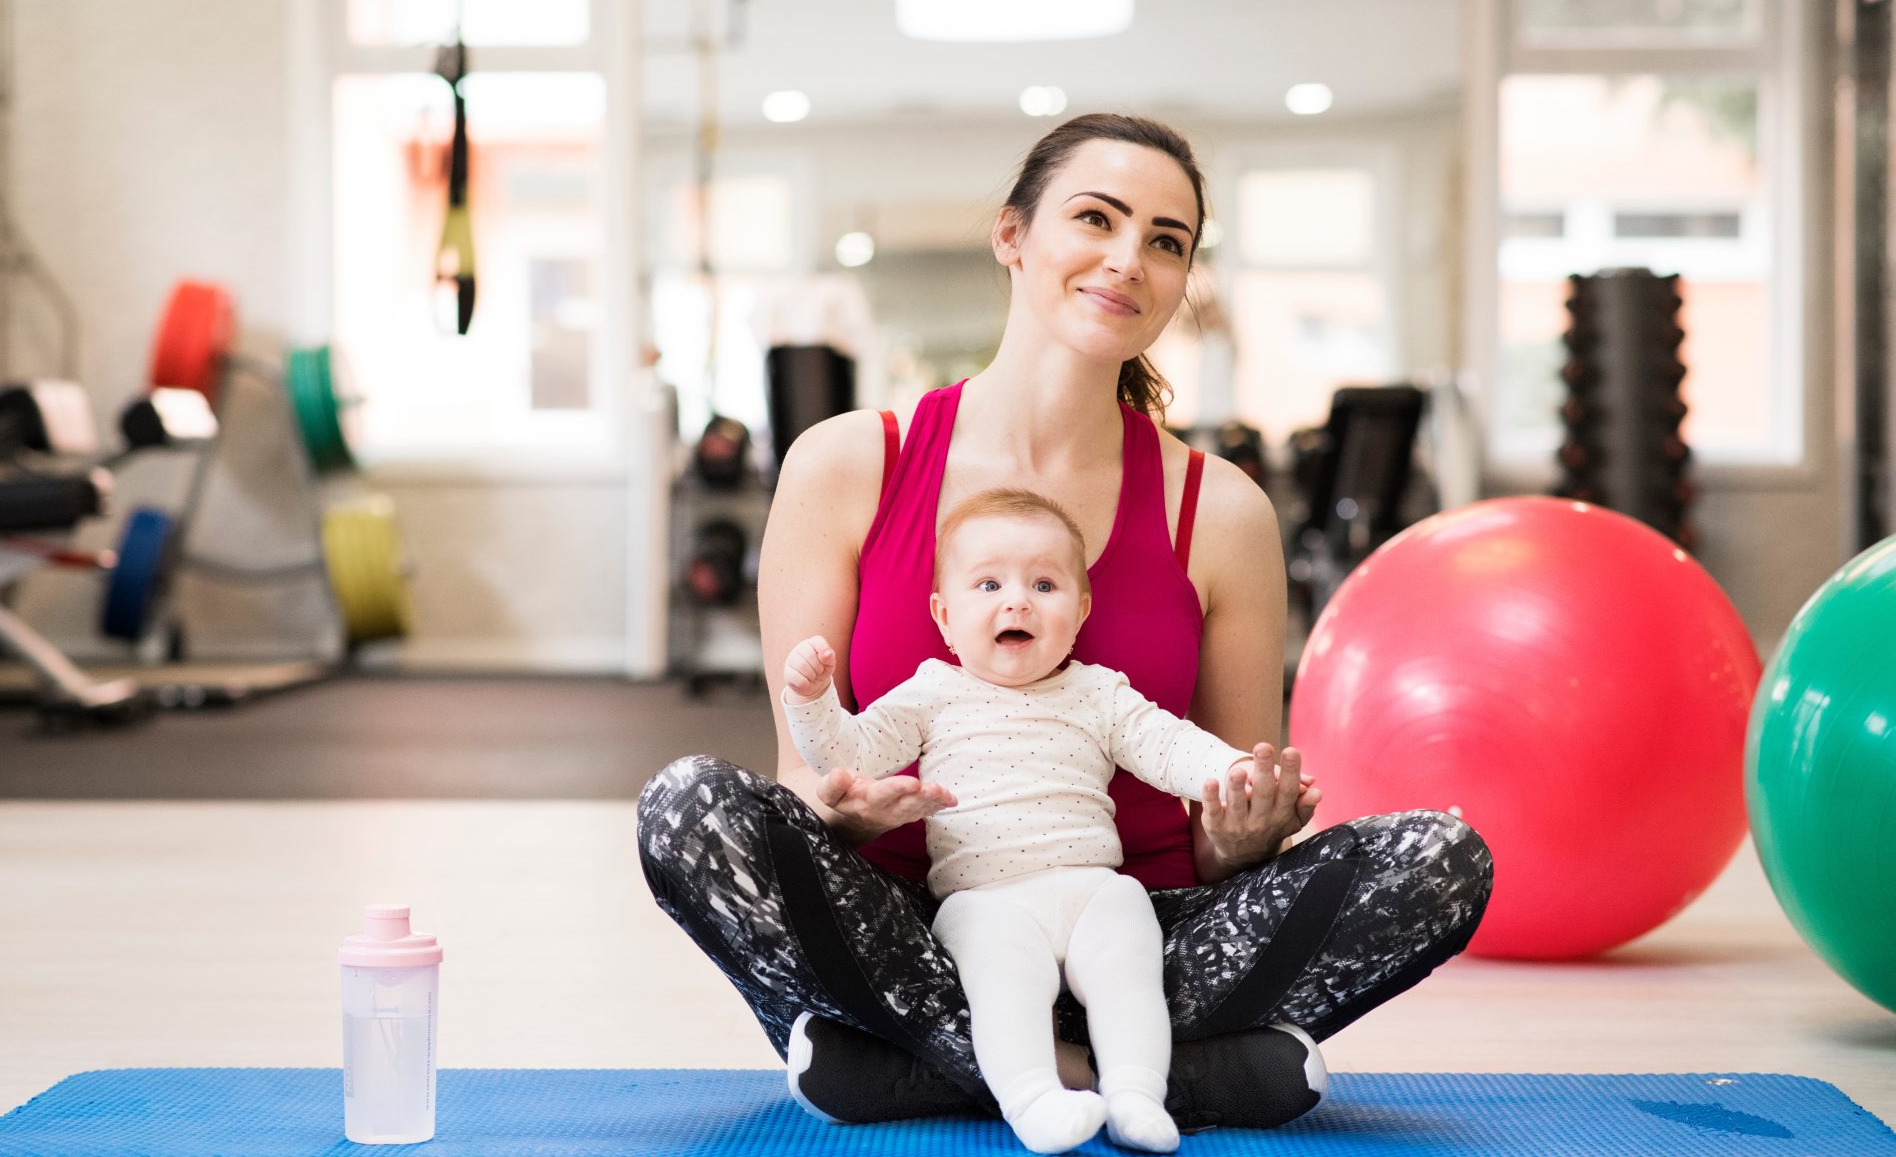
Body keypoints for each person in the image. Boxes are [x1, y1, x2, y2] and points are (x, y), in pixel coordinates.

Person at [636, 113, 1494, 1132]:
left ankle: (922, 1069)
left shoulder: (1218, 511)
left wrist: (1240, 835)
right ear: (1012, 235)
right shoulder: (844, 464)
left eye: (1166, 241)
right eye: (1095, 218)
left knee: (1442, 859)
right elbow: (800, 777)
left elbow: (1220, 817)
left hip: (1139, 932)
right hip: (913, 931)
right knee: (688, 809)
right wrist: (839, 807)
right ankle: (1137, 1074)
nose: (1128, 259)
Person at [781, 486, 1322, 1153]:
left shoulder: (1098, 693)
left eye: (1044, 584)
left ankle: (1135, 1093)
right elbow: (847, 757)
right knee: (1002, 985)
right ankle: (1033, 1099)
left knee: (1130, 957)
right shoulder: (932, 693)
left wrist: (1239, 771)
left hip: (1091, 887)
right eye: (989, 585)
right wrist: (812, 703)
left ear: (1080, 611)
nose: (1017, 600)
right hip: (985, 901)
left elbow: (1171, 745)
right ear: (944, 617)